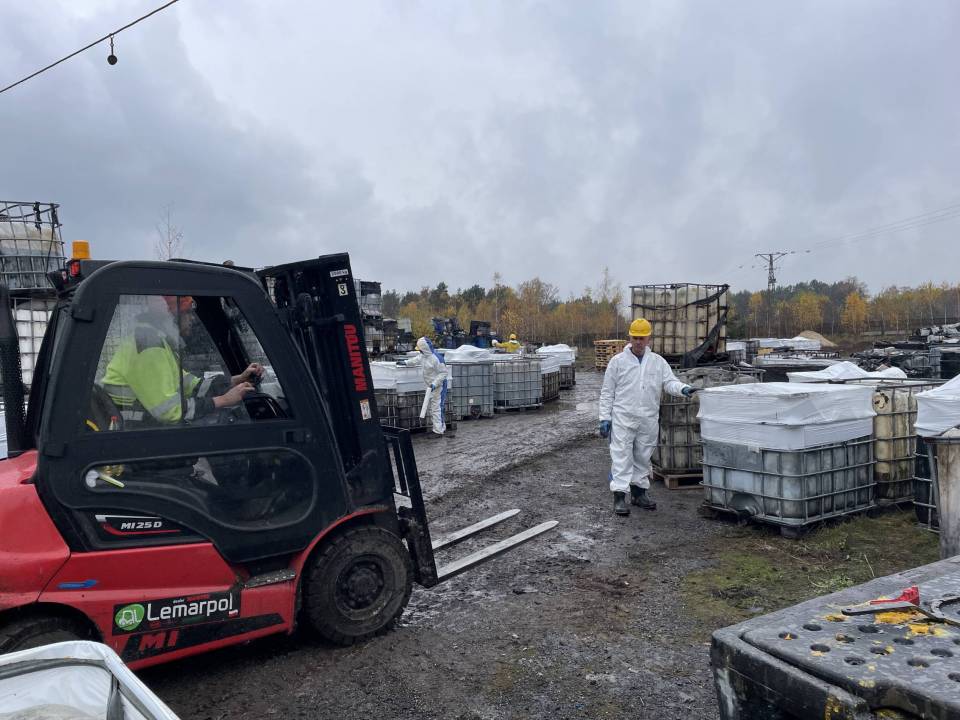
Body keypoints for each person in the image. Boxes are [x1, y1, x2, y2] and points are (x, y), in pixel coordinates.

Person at [100, 295, 262, 426]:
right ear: (172, 317)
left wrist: (236, 380)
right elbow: (170, 412)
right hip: (140, 434)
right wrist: (224, 400)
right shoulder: (149, 347)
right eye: (188, 313)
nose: (192, 319)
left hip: (144, 429)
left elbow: (191, 386)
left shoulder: (158, 343)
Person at [598, 318, 695, 516]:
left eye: (642, 338)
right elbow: (607, 392)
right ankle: (619, 496)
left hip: (648, 419)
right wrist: (604, 418)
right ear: (630, 337)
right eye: (635, 338)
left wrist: (683, 388)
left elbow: (669, 382)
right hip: (623, 418)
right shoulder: (617, 362)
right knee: (622, 457)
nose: (638, 342)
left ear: (649, 338)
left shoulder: (658, 362)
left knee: (643, 456)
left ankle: (639, 493)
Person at [399, 336, 454, 439]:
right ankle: (440, 428)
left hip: (439, 386)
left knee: (436, 408)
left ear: (424, 348)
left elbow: (443, 373)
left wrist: (434, 384)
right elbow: (416, 360)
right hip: (431, 386)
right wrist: (406, 362)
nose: (419, 351)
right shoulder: (423, 355)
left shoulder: (437, 359)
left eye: (420, 349)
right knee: (435, 408)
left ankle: (438, 431)